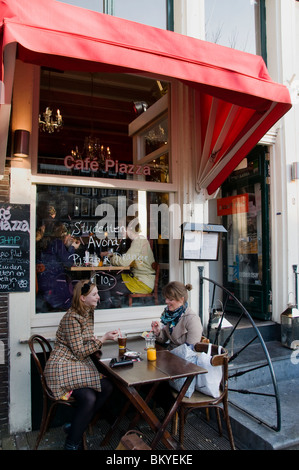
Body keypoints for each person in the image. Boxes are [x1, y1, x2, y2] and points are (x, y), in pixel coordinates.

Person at [44, 280, 119, 450]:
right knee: (89, 397)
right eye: (94, 294)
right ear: (82, 298)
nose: (99, 297)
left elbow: (82, 339)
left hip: (77, 364)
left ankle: (77, 425)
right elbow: (78, 351)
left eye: (98, 293)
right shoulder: (71, 318)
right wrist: (103, 339)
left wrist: (93, 339)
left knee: (107, 386)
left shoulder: (88, 312)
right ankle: (72, 443)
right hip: (62, 366)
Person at [100, 218, 155, 307]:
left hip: (142, 283)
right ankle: (116, 307)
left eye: (122, 227)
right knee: (110, 280)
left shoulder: (138, 241)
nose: (120, 230)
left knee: (106, 286)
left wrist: (110, 255)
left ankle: (110, 310)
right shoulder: (139, 240)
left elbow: (124, 262)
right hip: (140, 278)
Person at [37, 221, 81, 310]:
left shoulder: (43, 242)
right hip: (55, 282)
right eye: (66, 233)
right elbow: (68, 262)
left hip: (43, 280)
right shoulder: (57, 243)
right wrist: (72, 247)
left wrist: (67, 246)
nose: (68, 236)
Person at [151, 281, 203, 349]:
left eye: (170, 299)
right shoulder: (170, 315)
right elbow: (164, 338)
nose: (166, 301)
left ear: (181, 299)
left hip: (183, 357)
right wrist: (157, 332)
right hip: (171, 354)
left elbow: (191, 349)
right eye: (166, 298)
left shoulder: (192, 319)